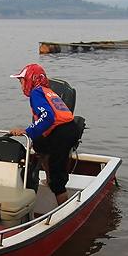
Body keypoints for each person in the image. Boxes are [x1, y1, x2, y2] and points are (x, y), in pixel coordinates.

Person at [8, 63, 78, 204]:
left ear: (30, 79)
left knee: (57, 179)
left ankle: (63, 207)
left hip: (62, 133)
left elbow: (47, 117)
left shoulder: (36, 93)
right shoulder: (47, 91)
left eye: (22, 81)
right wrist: (33, 134)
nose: (21, 84)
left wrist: (26, 131)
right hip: (69, 128)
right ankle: (50, 177)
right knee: (39, 143)